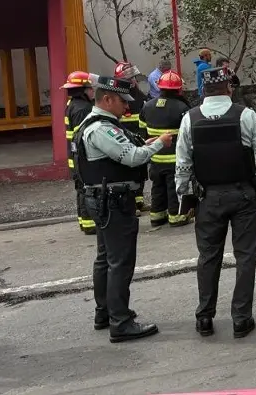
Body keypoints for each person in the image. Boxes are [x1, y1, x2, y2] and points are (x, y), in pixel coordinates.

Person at [175, 67, 256, 338]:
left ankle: (204, 318)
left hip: (208, 198)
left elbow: (183, 164)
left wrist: (183, 198)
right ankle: (241, 318)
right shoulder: (246, 116)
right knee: (245, 256)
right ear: (229, 88)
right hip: (244, 195)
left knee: (208, 257)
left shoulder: (189, 119)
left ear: (203, 90)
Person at [73, 76, 172, 342]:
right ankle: (121, 321)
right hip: (114, 200)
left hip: (104, 198)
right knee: (120, 261)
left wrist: (148, 143)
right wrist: (161, 143)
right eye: (122, 102)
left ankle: (105, 312)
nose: (126, 108)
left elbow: (129, 148)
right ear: (107, 99)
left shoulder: (97, 124)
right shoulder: (102, 129)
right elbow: (131, 157)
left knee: (106, 258)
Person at [139, 70, 192, 228]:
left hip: (154, 157)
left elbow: (142, 130)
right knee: (173, 188)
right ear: (178, 89)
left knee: (157, 188)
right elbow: (188, 133)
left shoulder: (147, 106)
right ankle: (176, 217)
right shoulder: (182, 107)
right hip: (175, 158)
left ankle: (157, 216)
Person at [63, 71, 97, 235]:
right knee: (87, 190)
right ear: (82, 90)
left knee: (81, 190)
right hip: (82, 157)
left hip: (74, 157)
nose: (92, 91)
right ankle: (90, 224)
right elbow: (84, 137)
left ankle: (85, 223)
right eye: (90, 88)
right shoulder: (83, 109)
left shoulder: (72, 104)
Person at [114, 62, 149, 213]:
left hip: (138, 135)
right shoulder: (118, 95)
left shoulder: (136, 92)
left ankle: (139, 201)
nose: (133, 81)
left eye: (133, 77)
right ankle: (131, 204)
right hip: (124, 136)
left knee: (140, 171)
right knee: (127, 171)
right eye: (130, 78)